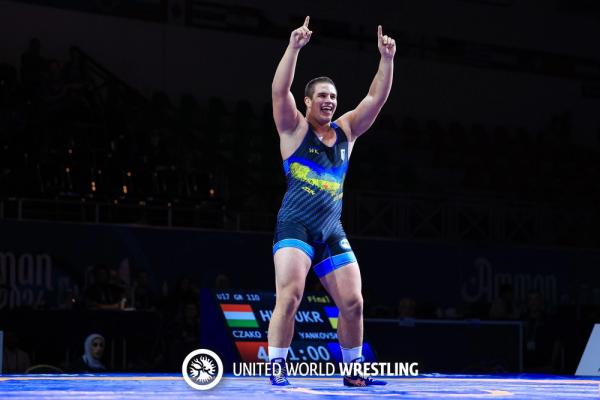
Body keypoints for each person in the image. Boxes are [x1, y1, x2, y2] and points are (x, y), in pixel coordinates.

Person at [268, 16, 395, 386]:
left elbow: (375, 98)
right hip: (295, 225)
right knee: (290, 297)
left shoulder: (347, 131)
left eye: (333, 97)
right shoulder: (294, 128)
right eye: (322, 96)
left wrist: (387, 59)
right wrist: (293, 48)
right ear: (308, 101)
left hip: (330, 229)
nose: (329, 101)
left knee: (353, 303)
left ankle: (353, 373)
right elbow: (279, 91)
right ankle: (277, 369)